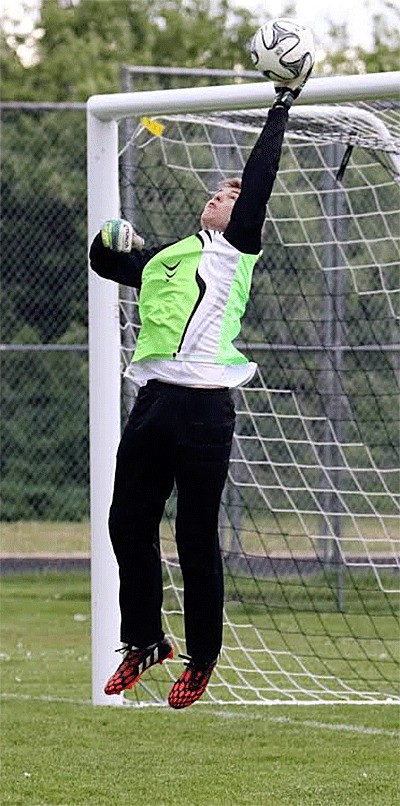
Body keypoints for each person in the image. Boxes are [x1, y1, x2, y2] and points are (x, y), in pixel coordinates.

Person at [89, 75, 310, 709]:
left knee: (193, 535)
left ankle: (202, 657)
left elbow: (259, 179)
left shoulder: (232, 254)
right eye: (219, 190)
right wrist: (109, 239)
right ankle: (144, 642)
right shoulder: (168, 257)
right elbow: (108, 264)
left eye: (230, 193)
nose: (222, 194)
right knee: (126, 522)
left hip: (204, 409)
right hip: (154, 403)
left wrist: (281, 107)